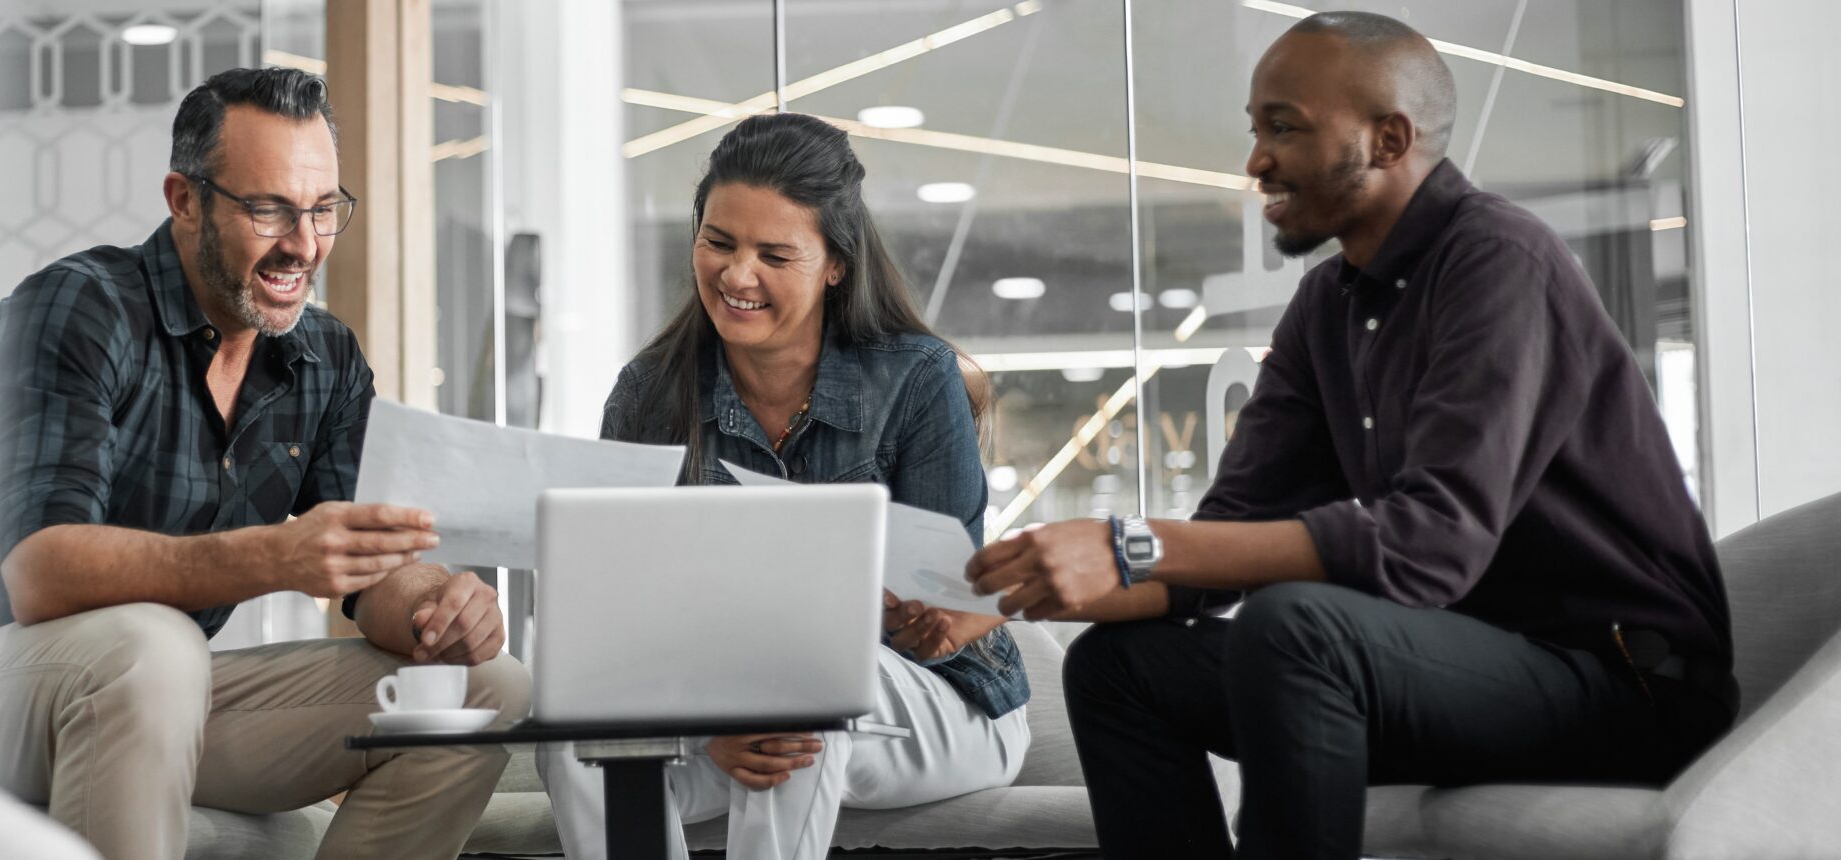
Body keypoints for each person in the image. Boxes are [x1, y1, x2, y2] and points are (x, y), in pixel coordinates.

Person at [963, 12, 1738, 859]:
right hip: (1450, 669)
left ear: (1389, 138)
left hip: (1622, 684)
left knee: (1297, 627)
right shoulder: (1328, 306)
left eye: (1283, 128)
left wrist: (1134, 545)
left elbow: (1428, 546)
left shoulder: (1500, 258)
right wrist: (1000, 595)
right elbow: (1221, 542)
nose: (1256, 160)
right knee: (1121, 668)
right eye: (1256, 130)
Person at [0, 67, 527, 860]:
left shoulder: (324, 358)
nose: (303, 246)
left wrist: (436, 607)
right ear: (185, 199)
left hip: (148, 692)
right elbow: (41, 574)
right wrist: (278, 555)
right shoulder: (79, 309)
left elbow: (371, 571)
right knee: (156, 646)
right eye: (269, 209)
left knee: (485, 689)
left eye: (321, 210)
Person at [538, 113, 1032, 860]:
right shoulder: (648, 393)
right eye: (719, 242)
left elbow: (943, 610)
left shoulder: (916, 376)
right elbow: (619, 615)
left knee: (796, 683)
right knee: (578, 734)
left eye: (774, 253)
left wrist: (746, 693)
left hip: (942, 705)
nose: (738, 276)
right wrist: (710, 716)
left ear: (835, 263)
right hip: (724, 699)